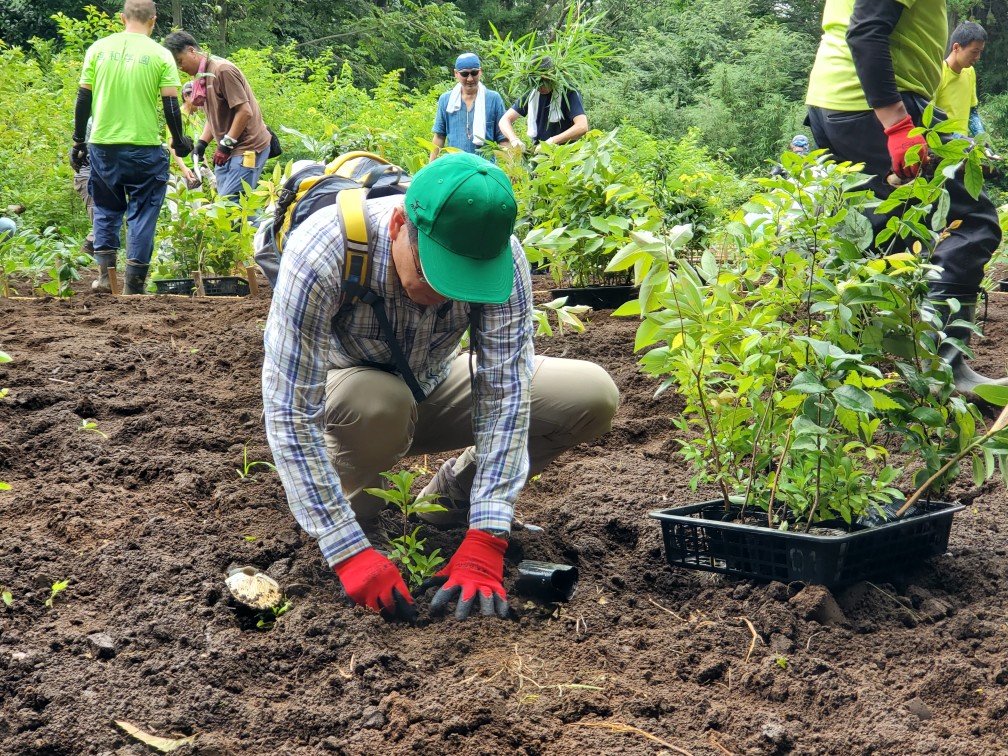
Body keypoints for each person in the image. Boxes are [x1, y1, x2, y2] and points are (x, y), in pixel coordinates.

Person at [261, 152, 619, 622]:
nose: (448, 293)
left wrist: (487, 535)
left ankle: (446, 504)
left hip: (430, 382)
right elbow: (290, 412)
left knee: (591, 394)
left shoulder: (503, 259)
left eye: (465, 280)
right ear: (397, 225)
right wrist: (347, 551)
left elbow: (505, 394)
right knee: (379, 404)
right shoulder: (323, 251)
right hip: (352, 401)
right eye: (435, 271)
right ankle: (356, 515)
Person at [805, 0, 1004, 402]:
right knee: (972, 221)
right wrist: (897, 123)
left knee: (881, 232)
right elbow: (865, 29)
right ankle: (946, 372)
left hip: (840, 102)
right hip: (878, 104)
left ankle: (859, 371)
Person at [71, 0, 193, 295]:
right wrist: (178, 139)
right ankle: (133, 286)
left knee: (106, 209)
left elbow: (83, 99)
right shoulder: (160, 54)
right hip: (145, 148)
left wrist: (78, 140)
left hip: (102, 145)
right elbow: (171, 104)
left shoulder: (98, 50)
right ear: (154, 20)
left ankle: (104, 278)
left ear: (123, 18)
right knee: (143, 212)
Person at [163, 31, 271, 202]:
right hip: (228, 151)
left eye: (180, 61)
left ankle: (267, 227)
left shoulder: (222, 70)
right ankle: (266, 228)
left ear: (192, 51)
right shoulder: (200, 77)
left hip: (248, 147)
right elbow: (213, 116)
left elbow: (245, 111)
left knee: (230, 204)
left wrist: (225, 146)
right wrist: (202, 144)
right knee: (233, 206)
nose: (180, 67)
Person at [430, 53, 508, 162]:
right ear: (456, 74)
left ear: (480, 72)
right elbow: (439, 136)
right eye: (465, 74)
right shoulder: (446, 100)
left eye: (474, 73)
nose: (470, 78)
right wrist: (431, 168)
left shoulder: (493, 99)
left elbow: (503, 138)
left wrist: (511, 167)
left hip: (484, 169)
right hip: (455, 167)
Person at [498, 57, 588, 150]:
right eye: (537, 84)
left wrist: (553, 141)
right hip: (539, 154)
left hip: (566, 154)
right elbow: (504, 120)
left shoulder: (568, 92)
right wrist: (514, 140)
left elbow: (582, 126)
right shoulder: (532, 93)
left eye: (543, 82)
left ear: (552, 77)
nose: (540, 88)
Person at [933, 22, 987, 140]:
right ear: (956, 47)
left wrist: (983, 141)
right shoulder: (937, 73)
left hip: (963, 152)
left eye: (980, 52)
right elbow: (929, 119)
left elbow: (972, 112)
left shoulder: (970, 72)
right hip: (939, 152)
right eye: (974, 51)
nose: (978, 57)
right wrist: (963, 140)